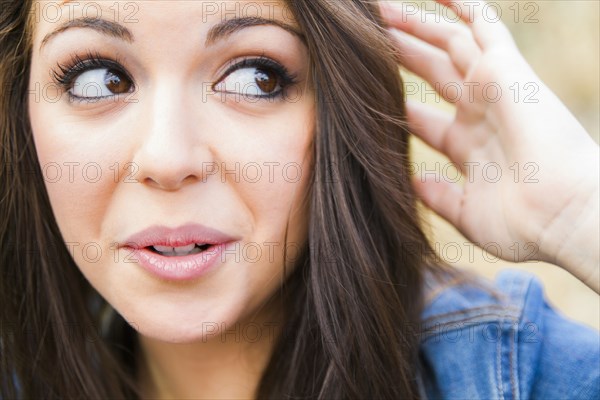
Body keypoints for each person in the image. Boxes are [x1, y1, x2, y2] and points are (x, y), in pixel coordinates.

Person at [0, 0, 597, 398]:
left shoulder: (503, 374)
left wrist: (582, 217)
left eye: (255, 77)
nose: (168, 159)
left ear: (332, 113)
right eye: (98, 78)